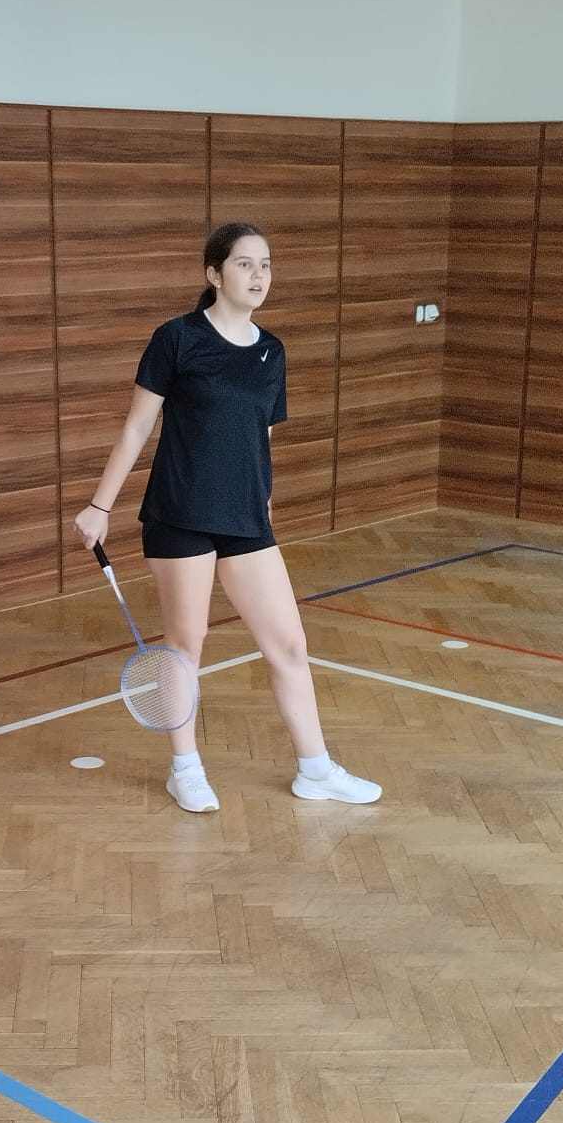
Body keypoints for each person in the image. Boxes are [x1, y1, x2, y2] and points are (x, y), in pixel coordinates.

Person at [73, 222, 382, 814]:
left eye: (265, 264)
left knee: (289, 644)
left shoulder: (272, 352)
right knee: (186, 645)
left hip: (245, 515)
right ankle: (184, 769)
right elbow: (138, 427)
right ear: (214, 274)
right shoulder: (177, 339)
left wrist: (265, 495)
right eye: (244, 264)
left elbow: (261, 433)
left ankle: (316, 770)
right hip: (181, 511)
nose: (258, 275)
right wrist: (100, 505)